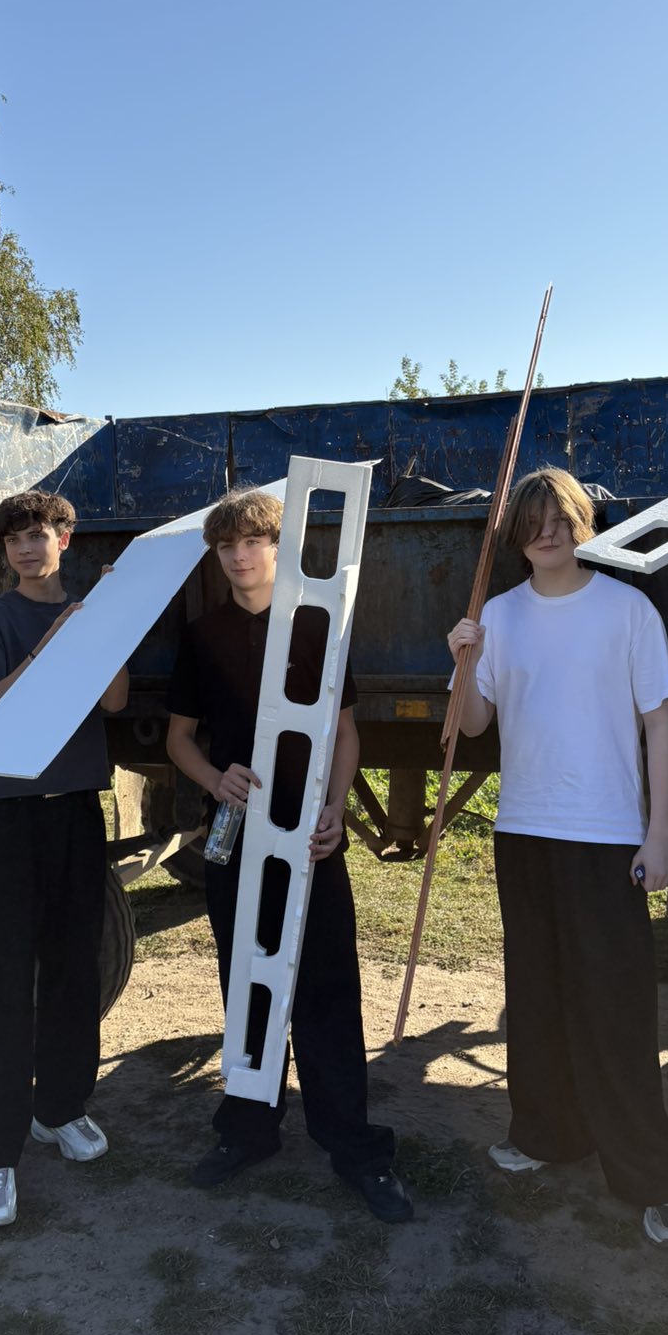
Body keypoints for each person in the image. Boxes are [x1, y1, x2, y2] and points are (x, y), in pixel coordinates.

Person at [447, 467, 668, 1247]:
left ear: (582, 522)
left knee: (616, 1008)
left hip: (606, 834)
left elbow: (660, 725)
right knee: (538, 993)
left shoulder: (627, 611)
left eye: (559, 519)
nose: (546, 533)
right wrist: (462, 660)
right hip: (522, 829)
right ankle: (547, 1134)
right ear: (515, 536)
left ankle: (653, 1178)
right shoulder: (497, 615)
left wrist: (658, 833)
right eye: (531, 523)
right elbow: (471, 725)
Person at [165, 487, 412, 1222]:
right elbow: (180, 739)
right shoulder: (202, 635)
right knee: (245, 981)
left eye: (252, 542)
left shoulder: (317, 625)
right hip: (240, 835)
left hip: (308, 836)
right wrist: (215, 779)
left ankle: (354, 1148)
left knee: (327, 986)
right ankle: (248, 1130)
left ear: (278, 548)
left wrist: (335, 809)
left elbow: (345, 733)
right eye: (226, 546)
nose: (239, 556)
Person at [0, 489, 128, 1227]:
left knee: (73, 967)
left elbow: (114, 701)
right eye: (15, 539)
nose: (27, 549)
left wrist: (108, 622)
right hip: (6, 816)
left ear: (66, 539)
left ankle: (59, 1107)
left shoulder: (90, 612)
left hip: (76, 810)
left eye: (39, 535)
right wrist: (50, 643)